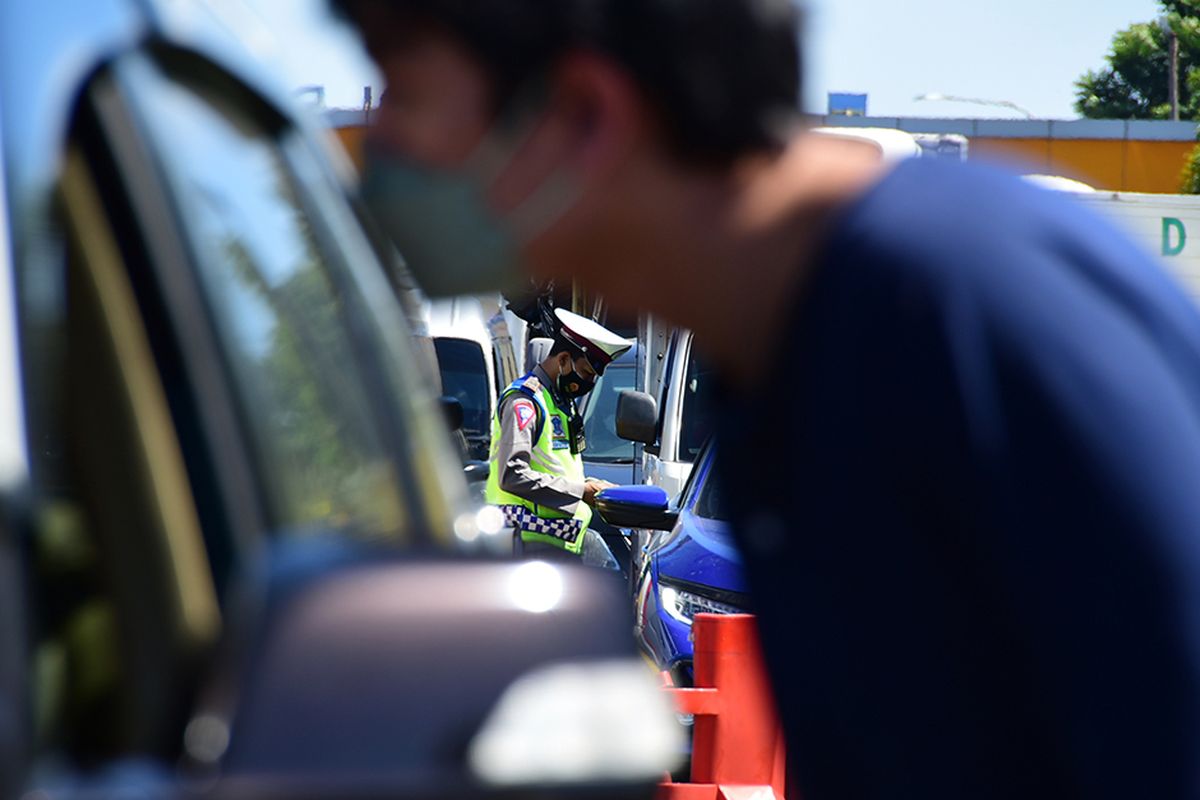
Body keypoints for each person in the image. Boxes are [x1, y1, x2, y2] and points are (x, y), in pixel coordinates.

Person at [332, 1, 1200, 797]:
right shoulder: (787, 356)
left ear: (585, 113)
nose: (381, 144)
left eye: (403, 91)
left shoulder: (966, 301)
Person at [485, 308, 632, 565]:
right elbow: (511, 474)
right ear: (563, 359)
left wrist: (589, 484)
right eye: (586, 373)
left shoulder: (559, 402)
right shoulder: (525, 401)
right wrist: (580, 491)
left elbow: (554, 466)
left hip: (556, 547)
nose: (588, 382)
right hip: (526, 548)